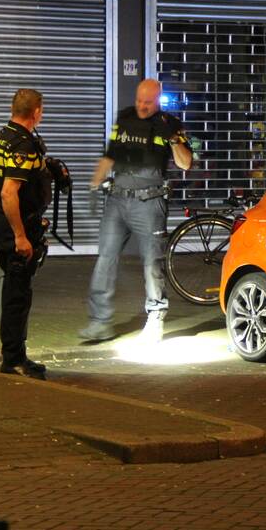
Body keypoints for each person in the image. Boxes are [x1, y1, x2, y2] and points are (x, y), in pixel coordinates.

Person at [78, 78, 193, 342]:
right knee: (105, 259)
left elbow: (186, 164)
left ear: (158, 100)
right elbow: (110, 154)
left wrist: (174, 140)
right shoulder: (125, 118)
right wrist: (95, 182)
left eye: (148, 102)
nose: (141, 106)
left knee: (152, 262)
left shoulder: (170, 125)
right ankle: (100, 322)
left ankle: (155, 318)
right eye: (139, 100)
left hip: (149, 202)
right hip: (117, 200)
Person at [0, 88, 49, 380]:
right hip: (14, 226)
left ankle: (15, 355)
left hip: (3, 222)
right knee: (17, 293)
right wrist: (21, 236)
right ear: (36, 112)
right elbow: (9, 192)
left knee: (17, 290)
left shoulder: (3, 134)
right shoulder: (24, 144)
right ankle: (13, 359)